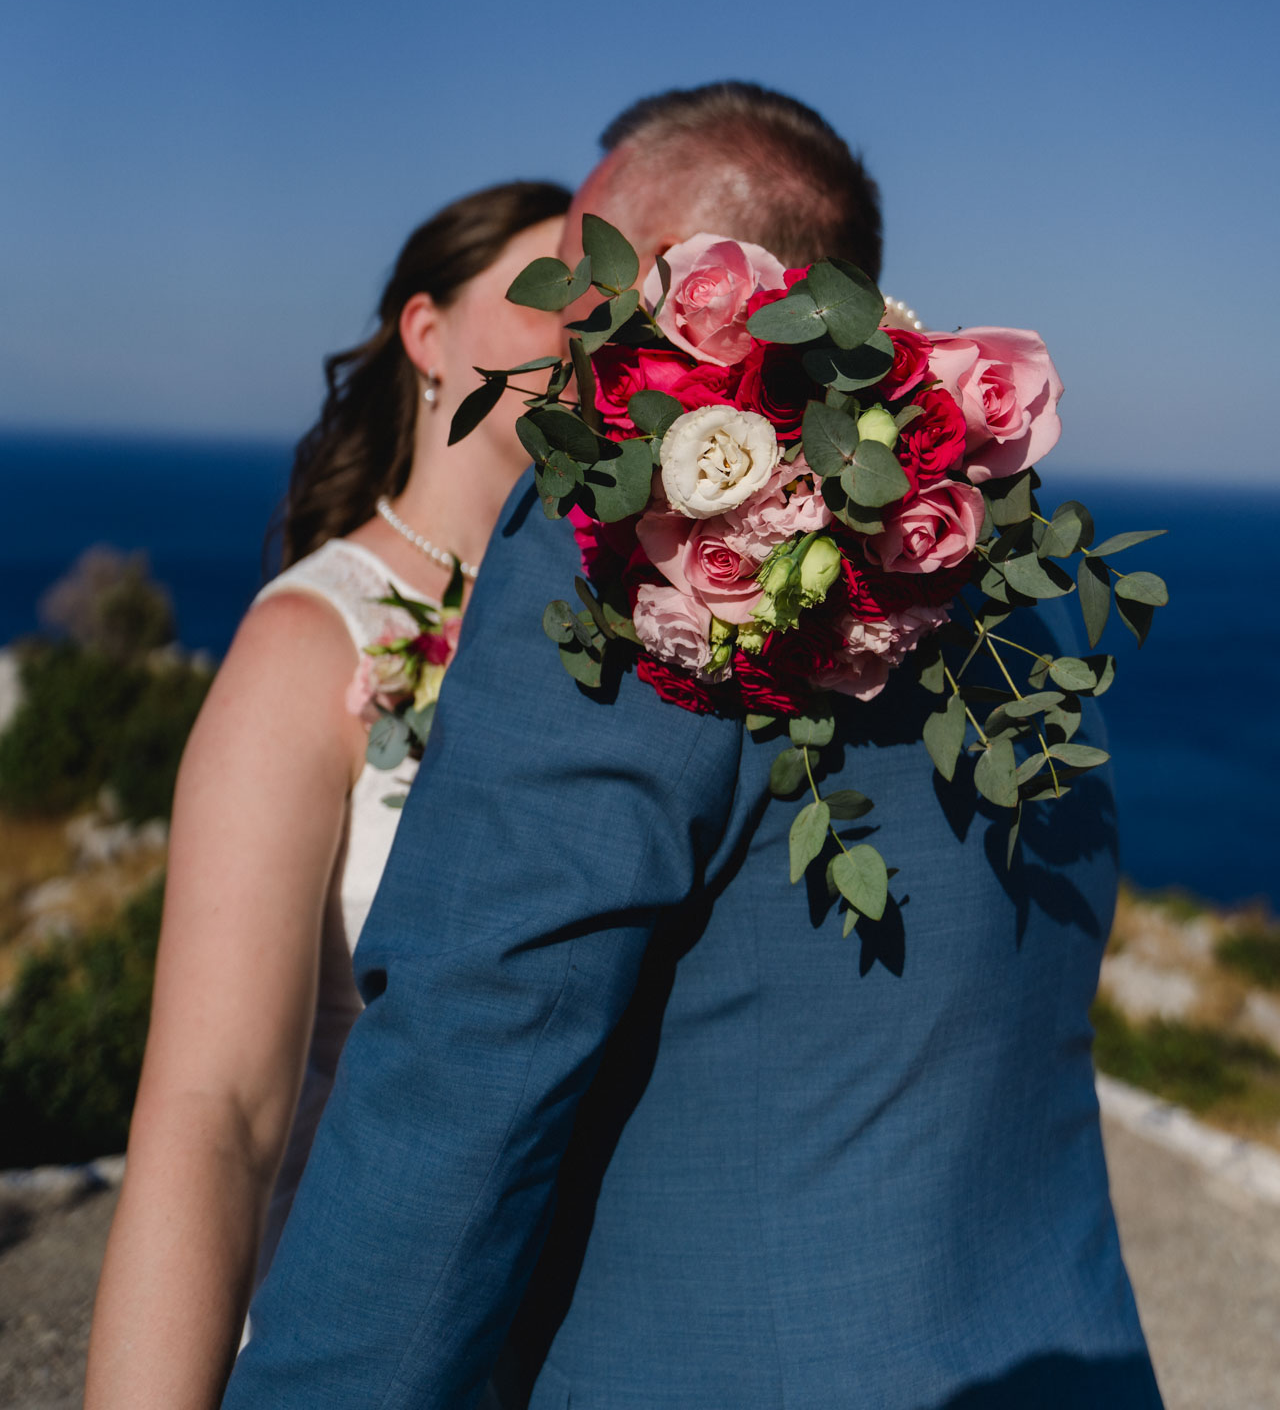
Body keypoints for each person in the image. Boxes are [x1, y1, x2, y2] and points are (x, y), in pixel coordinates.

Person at [224, 82, 1162, 1410]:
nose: (558, 321)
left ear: (664, 285)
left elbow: (472, 1062)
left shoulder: (631, 531)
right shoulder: (1004, 550)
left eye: (572, 272)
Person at [84, 179, 571, 1410]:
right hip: (367, 1331)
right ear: (427, 335)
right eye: (547, 289)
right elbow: (213, 1116)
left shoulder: (615, 635)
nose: (588, 330)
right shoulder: (310, 642)